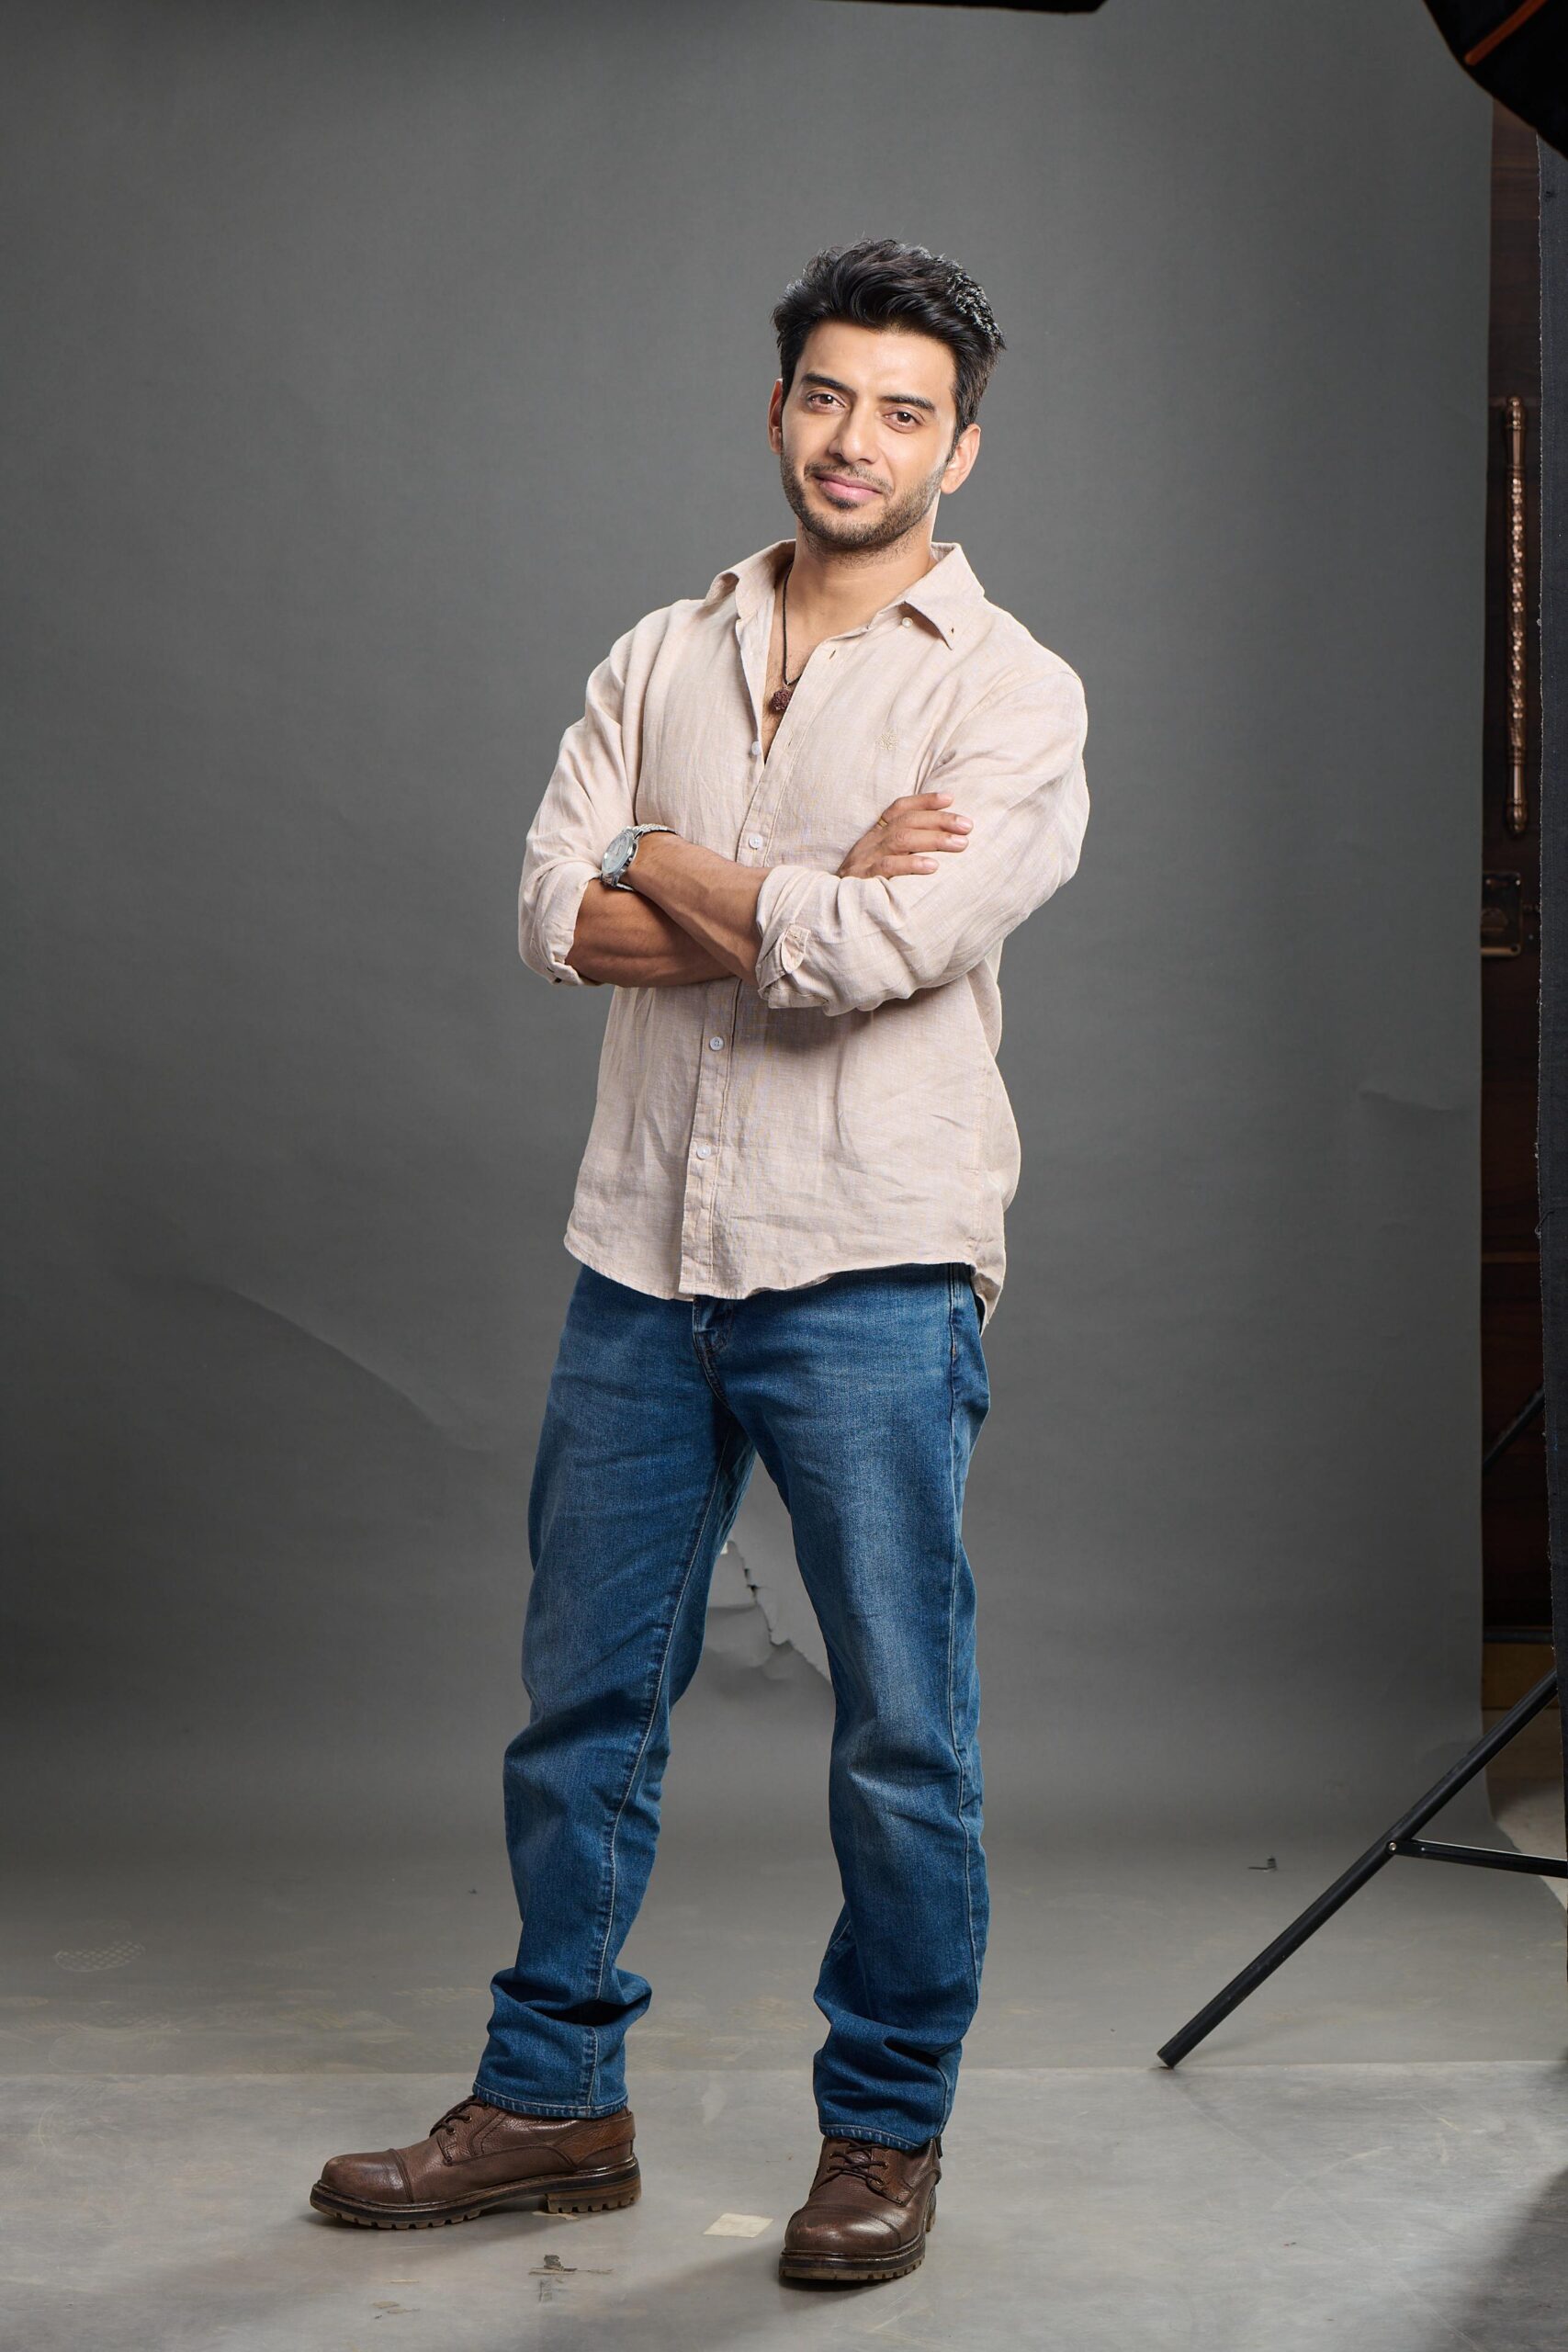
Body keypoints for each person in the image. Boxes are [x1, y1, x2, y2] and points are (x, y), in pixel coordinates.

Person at [310, 236, 1089, 2290]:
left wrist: (664, 861)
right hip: (639, 1257)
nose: (856, 440)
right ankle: (553, 2096)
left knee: (900, 1729)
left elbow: (882, 955)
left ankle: (884, 2130)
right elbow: (547, 916)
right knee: (581, 1703)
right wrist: (767, 883)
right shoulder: (658, 651)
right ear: (775, 411)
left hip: (873, 1260)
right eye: (826, 396)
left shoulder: (1009, 691)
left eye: (903, 411)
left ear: (961, 448)